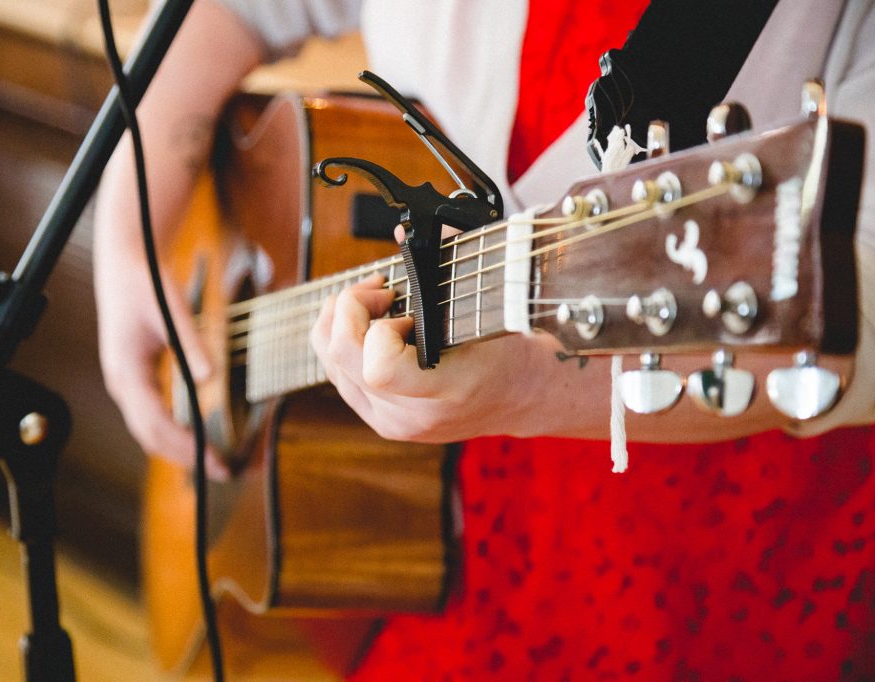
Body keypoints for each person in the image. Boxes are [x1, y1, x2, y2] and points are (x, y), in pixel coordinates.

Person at [94, 0, 875, 677]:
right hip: (401, 564)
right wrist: (128, 231)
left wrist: (534, 385)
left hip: (716, 567)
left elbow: (852, 281)